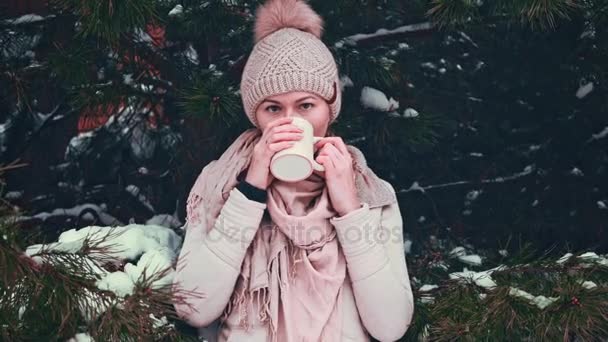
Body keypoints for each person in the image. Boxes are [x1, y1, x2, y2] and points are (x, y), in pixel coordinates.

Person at [171, 0, 415, 341]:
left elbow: (390, 326)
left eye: (306, 105)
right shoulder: (220, 184)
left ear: (329, 110)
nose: (290, 121)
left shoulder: (369, 192)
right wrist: (251, 190)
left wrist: (349, 209)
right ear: (256, 116)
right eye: (273, 108)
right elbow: (192, 307)